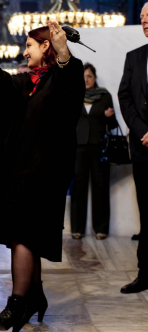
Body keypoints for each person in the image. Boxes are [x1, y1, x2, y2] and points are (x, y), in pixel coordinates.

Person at [0, 21, 84, 332]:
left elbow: (68, 84)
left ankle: (17, 303)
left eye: (29, 45)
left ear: (45, 48)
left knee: (24, 234)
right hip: (19, 170)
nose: (24, 51)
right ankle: (35, 295)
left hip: (46, 172)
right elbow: (0, 90)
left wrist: (63, 49)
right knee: (23, 234)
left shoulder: (66, 74)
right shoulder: (27, 81)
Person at [118, 2, 148, 294]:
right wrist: (142, 131)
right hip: (143, 148)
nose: (144, 22)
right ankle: (145, 274)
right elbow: (124, 96)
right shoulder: (135, 57)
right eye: (141, 18)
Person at [70, 62, 118, 240]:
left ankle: (101, 228)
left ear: (95, 78)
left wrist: (110, 117)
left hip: (99, 147)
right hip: (78, 147)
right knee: (78, 188)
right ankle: (77, 228)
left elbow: (112, 126)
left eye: (89, 76)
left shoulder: (104, 96)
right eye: (83, 77)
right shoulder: (74, 94)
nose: (86, 80)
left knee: (100, 187)